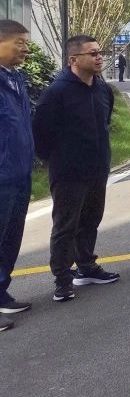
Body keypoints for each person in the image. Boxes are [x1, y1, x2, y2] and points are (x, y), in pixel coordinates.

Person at [32, 35, 120, 303]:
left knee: (91, 219)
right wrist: (55, 159)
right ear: (74, 59)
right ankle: (62, 278)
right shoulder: (57, 92)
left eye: (99, 52)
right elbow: (41, 132)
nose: (99, 57)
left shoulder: (102, 89)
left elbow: (104, 121)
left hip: (97, 167)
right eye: (92, 53)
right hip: (68, 172)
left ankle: (87, 267)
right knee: (65, 226)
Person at [0, 20, 34, 331]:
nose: (25, 49)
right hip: (2, 174)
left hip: (19, 173)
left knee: (11, 237)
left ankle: (1, 291)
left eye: (26, 43)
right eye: (19, 43)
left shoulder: (15, 78)